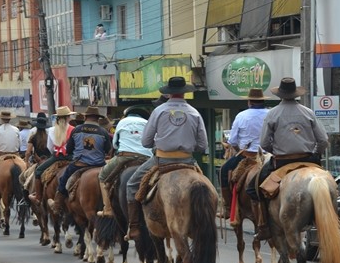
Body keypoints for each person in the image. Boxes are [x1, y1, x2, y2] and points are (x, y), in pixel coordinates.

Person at [125, 77, 208, 240]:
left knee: (131, 185)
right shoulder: (194, 112)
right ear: (185, 92)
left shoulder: (159, 111)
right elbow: (202, 145)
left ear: (168, 93)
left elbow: (146, 142)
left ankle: (134, 227)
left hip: (161, 160)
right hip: (187, 161)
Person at [251, 78, 329, 241]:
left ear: (280, 94)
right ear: (295, 94)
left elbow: (264, 143)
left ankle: (264, 226)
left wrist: (277, 152)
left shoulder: (273, 114)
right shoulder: (308, 112)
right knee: (331, 186)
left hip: (282, 163)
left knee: (254, 188)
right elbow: (323, 141)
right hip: (310, 160)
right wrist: (315, 153)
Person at [48, 106, 113, 215]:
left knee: (63, 180)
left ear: (85, 117)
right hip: (99, 165)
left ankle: (57, 204)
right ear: (97, 118)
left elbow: (69, 149)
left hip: (79, 164)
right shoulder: (103, 132)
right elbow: (108, 150)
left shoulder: (76, 130)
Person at [218, 88, 269, 219]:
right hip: (268, 156)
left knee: (223, 170)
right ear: (263, 101)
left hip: (247, 155)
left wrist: (236, 147)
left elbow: (233, 141)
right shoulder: (270, 114)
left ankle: (228, 208)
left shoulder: (241, 116)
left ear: (249, 102)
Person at [96, 106, 152, 217]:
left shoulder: (122, 122)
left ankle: (107, 208)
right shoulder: (147, 123)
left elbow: (115, 144)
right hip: (146, 158)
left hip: (124, 157)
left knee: (102, 176)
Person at [28, 107, 73, 206]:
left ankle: (38, 196)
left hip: (57, 157)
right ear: (68, 117)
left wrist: (57, 151)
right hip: (71, 157)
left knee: (38, 171)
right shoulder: (73, 130)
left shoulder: (52, 130)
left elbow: (50, 147)